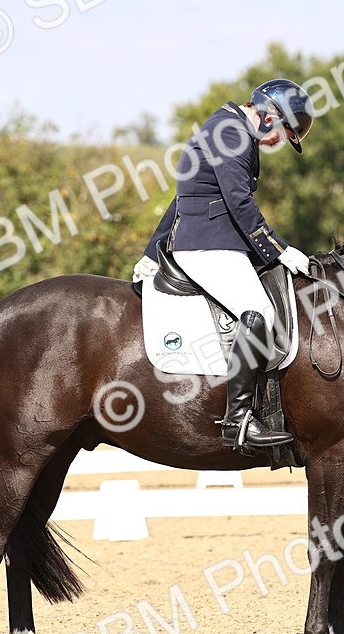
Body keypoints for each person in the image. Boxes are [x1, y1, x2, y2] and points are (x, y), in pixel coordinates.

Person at [133, 79, 314, 452]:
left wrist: (152, 252)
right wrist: (279, 249)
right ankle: (239, 420)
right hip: (208, 245)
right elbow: (238, 202)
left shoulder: (227, 127)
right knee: (258, 312)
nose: (277, 144)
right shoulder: (231, 132)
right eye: (281, 135)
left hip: (214, 241)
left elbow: (183, 197)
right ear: (269, 116)